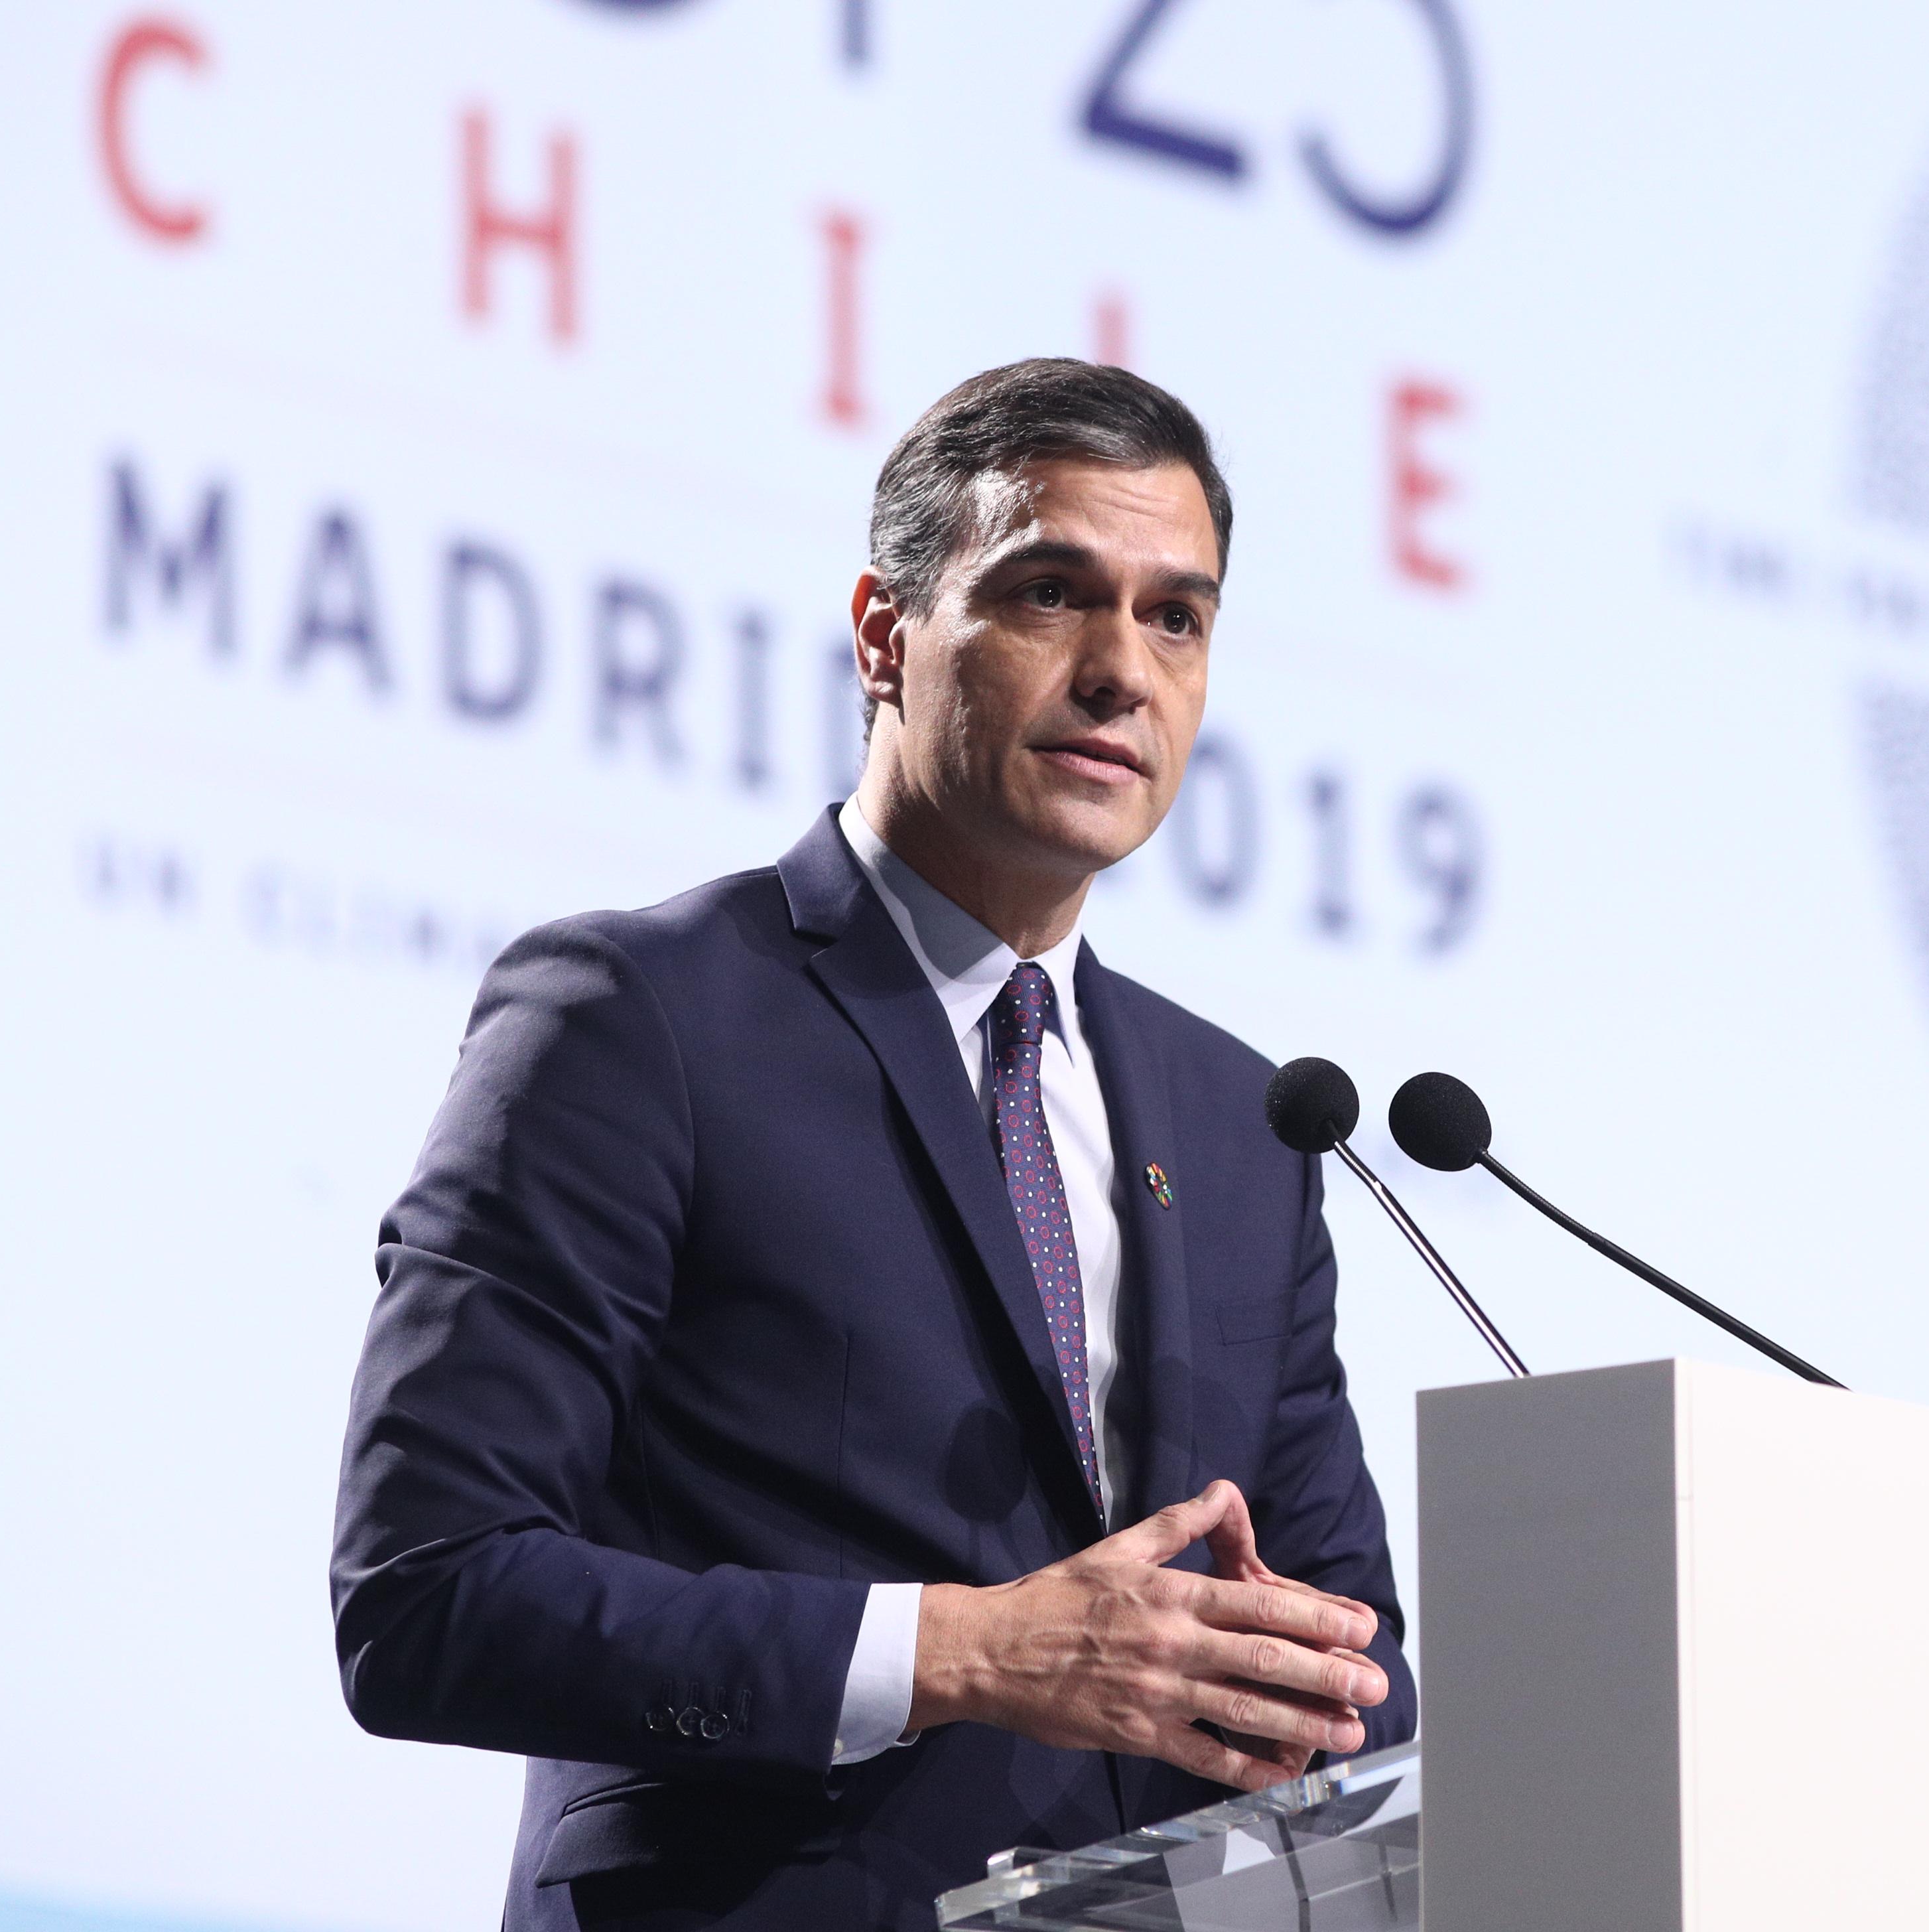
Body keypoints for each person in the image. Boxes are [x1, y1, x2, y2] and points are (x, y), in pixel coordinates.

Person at [330, 359, 1414, 1931]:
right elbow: (428, 1595)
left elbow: (1359, 1683)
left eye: (1177, 617)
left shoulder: (1246, 1127)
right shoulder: (637, 1017)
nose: (1124, 669)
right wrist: (967, 1653)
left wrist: (1308, 1693)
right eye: (1055, 593)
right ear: (885, 634)